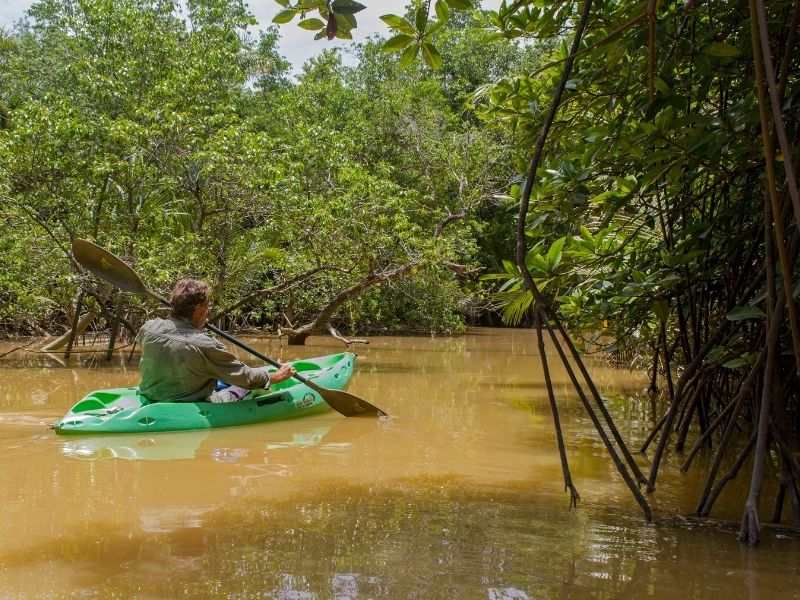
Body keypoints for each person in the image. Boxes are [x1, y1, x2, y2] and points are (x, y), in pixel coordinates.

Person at [137, 278, 296, 403]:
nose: (209, 311)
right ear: (199, 309)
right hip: (190, 403)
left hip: (152, 395)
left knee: (218, 378)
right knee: (249, 388)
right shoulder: (206, 345)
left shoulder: (148, 328)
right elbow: (246, 378)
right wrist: (273, 377)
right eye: (208, 306)